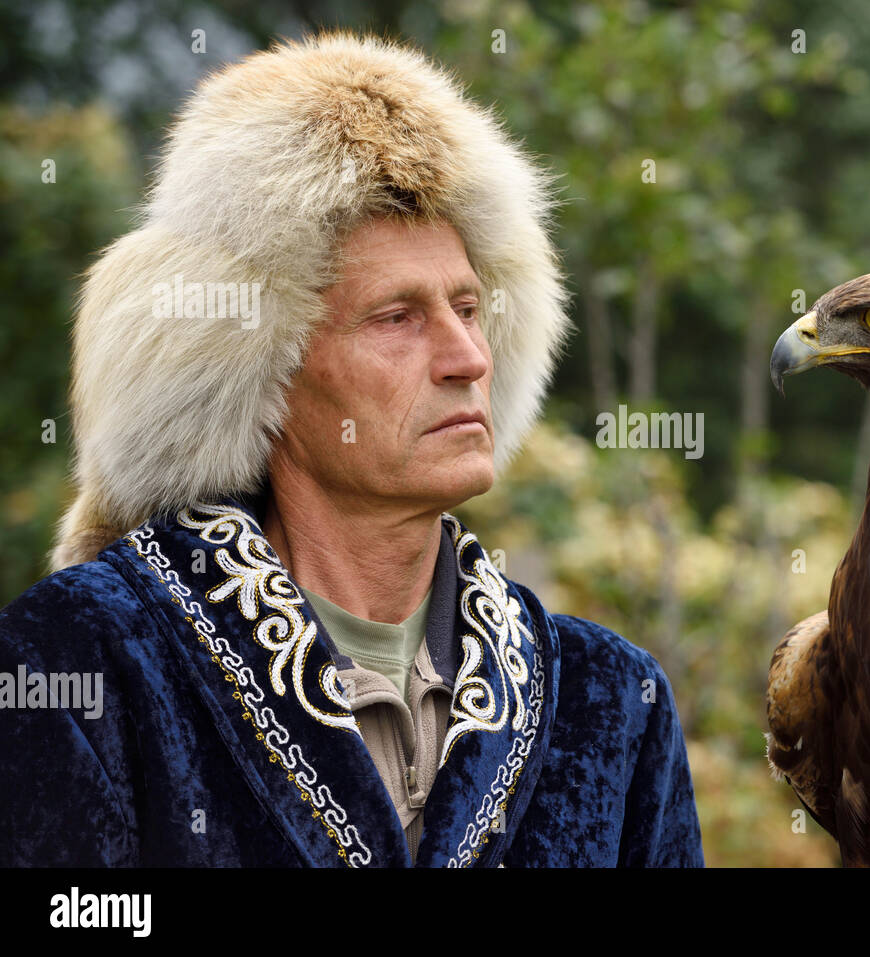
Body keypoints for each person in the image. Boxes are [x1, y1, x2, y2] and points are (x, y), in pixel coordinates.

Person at [0, 32, 704, 868]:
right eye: (397, 318)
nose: (468, 358)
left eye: (470, 308)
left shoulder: (616, 700)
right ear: (263, 372)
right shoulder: (82, 660)